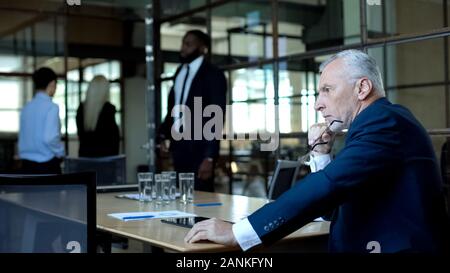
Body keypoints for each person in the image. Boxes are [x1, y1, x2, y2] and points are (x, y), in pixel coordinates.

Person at [184, 49, 450, 253]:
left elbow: (328, 185)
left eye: (327, 90)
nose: (318, 105)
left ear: (362, 88)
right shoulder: (374, 124)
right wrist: (322, 153)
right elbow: (333, 205)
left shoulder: (384, 122)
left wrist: (238, 233)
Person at [157, 30, 227, 192]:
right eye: (182, 43)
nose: (183, 48)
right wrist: (162, 135)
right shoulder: (179, 72)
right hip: (179, 147)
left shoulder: (213, 74)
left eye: (188, 44)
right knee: (180, 200)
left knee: (201, 202)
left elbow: (216, 115)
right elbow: (174, 109)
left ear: (202, 48)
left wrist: (209, 157)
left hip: (200, 150)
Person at [18, 67, 64, 174]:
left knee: (29, 191)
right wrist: (60, 151)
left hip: (26, 165)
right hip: (47, 165)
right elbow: (50, 138)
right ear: (52, 84)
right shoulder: (52, 107)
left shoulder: (26, 108)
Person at [76, 75, 120, 157]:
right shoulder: (108, 109)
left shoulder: (81, 109)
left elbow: (80, 135)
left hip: (85, 159)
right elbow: (113, 139)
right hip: (105, 160)